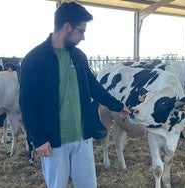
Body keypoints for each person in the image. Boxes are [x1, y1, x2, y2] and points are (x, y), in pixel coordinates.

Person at [19, 2, 130, 188]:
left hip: (82, 137)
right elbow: (26, 103)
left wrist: (118, 106)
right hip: (53, 141)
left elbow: (93, 86)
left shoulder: (79, 56)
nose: (83, 37)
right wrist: (38, 138)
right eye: (81, 31)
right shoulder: (34, 59)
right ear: (67, 27)